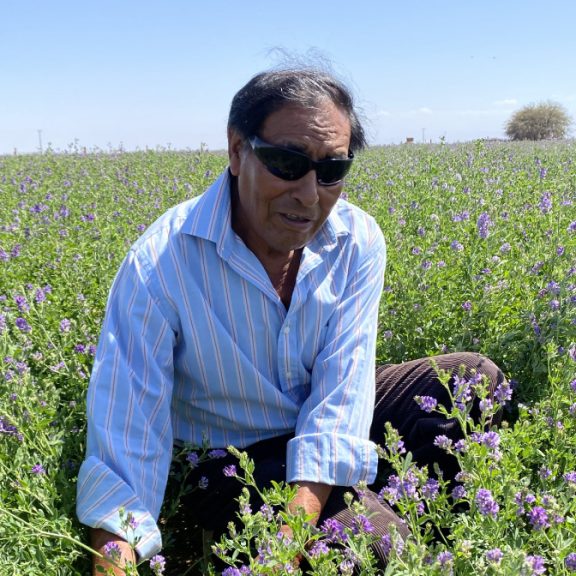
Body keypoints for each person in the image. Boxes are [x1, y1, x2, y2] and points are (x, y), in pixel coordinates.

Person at [76, 67, 506, 574]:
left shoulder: (357, 239)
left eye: (331, 170)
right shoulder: (160, 263)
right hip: (232, 453)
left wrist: (290, 531)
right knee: (374, 543)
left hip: (315, 418)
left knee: (474, 381)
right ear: (237, 151)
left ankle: (450, 526)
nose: (309, 195)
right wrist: (117, 562)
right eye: (287, 162)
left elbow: (340, 391)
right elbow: (126, 442)